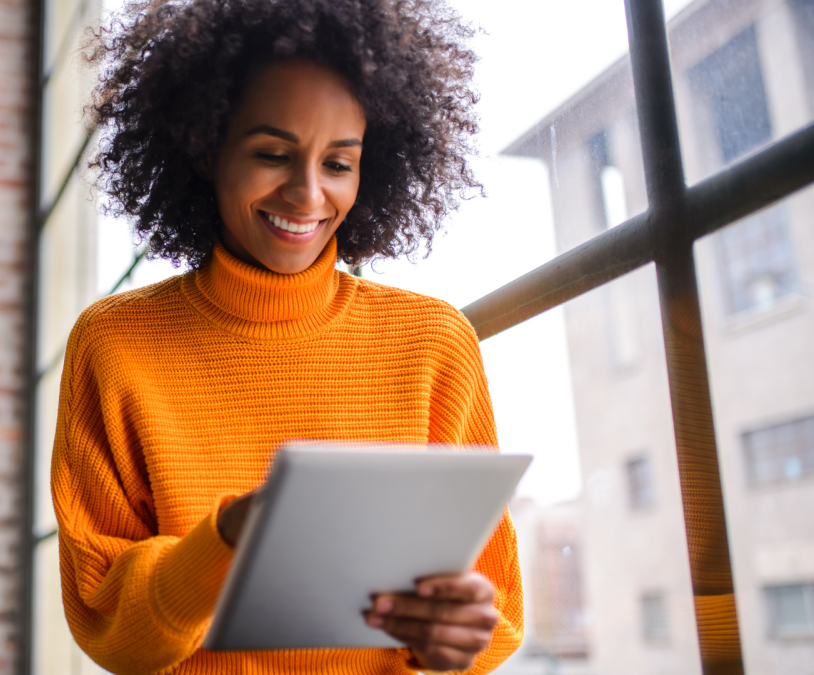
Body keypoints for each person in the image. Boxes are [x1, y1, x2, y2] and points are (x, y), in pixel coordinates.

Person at [50, 0, 523, 673]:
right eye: (273, 153)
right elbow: (108, 626)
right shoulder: (115, 344)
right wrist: (226, 540)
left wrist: (456, 638)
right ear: (204, 145)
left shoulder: (433, 341)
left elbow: (496, 608)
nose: (307, 195)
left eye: (339, 163)